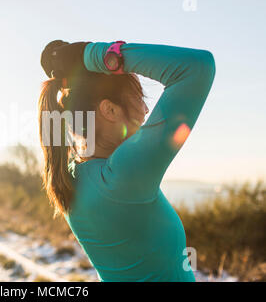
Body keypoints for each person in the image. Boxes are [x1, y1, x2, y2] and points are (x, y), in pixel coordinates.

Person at [38, 40, 216, 281]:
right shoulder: (123, 175)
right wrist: (91, 55)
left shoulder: (70, 176)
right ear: (109, 110)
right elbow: (198, 68)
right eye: (139, 98)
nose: (145, 109)